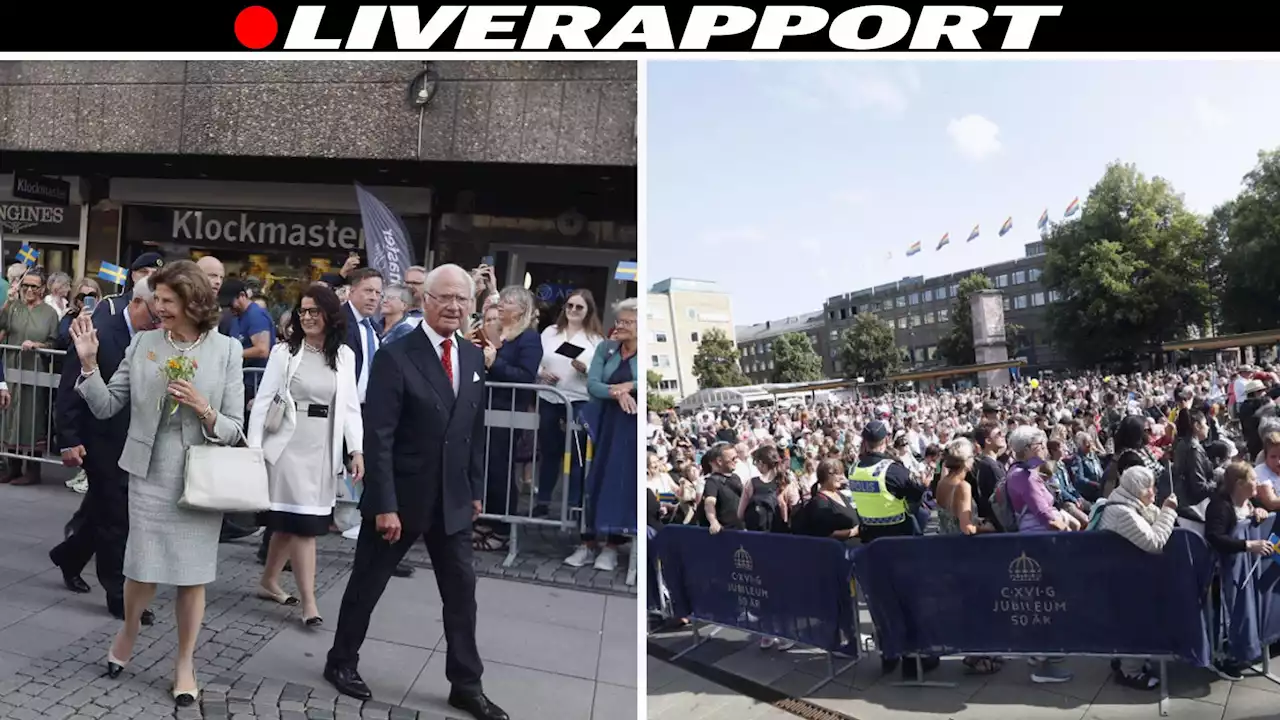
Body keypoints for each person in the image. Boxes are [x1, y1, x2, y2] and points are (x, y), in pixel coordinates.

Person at [324, 264, 508, 720]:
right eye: (443, 298)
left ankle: (466, 683)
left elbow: (473, 429)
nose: (453, 307)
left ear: (470, 305)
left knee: (462, 594)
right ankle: (340, 661)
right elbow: (379, 434)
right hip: (400, 501)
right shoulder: (397, 355)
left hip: (452, 500)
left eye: (461, 300)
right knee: (367, 585)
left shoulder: (469, 356)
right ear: (424, 301)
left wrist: (475, 489)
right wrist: (383, 503)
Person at [68, 259, 245, 707]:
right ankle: (129, 630)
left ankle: (184, 663)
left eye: (166, 300)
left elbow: (235, 429)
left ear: (192, 301)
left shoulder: (226, 351)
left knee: (192, 578)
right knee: (140, 568)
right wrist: (89, 366)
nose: (156, 307)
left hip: (199, 477)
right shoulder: (144, 343)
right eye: (154, 300)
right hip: (148, 472)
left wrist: (204, 409)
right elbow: (108, 406)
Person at [247, 284, 363, 628]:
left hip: (322, 447)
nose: (308, 317)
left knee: (288, 523)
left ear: (329, 314)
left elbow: (352, 409)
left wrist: (356, 449)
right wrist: (254, 450)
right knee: (305, 527)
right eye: (303, 311)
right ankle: (309, 603)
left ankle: (269, 581)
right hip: (287, 445)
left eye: (315, 311)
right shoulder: (285, 352)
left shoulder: (345, 356)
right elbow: (264, 401)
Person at [50, 277, 160, 625]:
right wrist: (68, 439)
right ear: (139, 303)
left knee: (103, 511)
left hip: (134, 439)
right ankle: (118, 595)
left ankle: (69, 555)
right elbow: (71, 384)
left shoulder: (153, 337)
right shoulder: (99, 330)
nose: (160, 321)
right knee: (116, 518)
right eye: (155, 313)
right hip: (100, 441)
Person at [563, 299, 637, 574]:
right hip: (603, 422)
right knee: (592, 478)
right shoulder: (606, 349)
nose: (620, 326)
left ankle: (612, 547)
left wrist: (632, 385)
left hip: (630, 428)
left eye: (628, 322)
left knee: (619, 484)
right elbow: (594, 384)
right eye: (619, 321)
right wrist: (619, 392)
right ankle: (587, 543)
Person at [1092, 465, 1178, 690]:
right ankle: (1130, 672)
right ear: (1134, 489)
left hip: (1128, 575)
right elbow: (1154, 543)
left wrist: (1160, 511)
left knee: (1131, 622)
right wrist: (1168, 511)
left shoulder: (1128, 502)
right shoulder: (1123, 512)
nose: (1153, 492)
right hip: (1126, 579)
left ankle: (1125, 661)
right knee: (1135, 623)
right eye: (1147, 488)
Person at [473, 286, 543, 551]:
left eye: (508, 302)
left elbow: (526, 376)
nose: (501, 305)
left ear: (522, 310)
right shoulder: (493, 333)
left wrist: (494, 363)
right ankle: (481, 519)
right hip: (482, 408)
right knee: (480, 466)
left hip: (507, 411)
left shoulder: (528, 339)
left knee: (500, 469)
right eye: (500, 300)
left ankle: (501, 527)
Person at [532, 289, 604, 519]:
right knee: (549, 450)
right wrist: (541, 373)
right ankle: (543, 501)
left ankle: (574, 504)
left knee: (577, 454)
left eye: (579, 307)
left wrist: (587, 370)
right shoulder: (550, 332)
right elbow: (535, 359)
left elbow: (600, 372)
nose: (573, 310)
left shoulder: (596, 339)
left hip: (579, 399)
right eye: (569, 305)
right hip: (550, 396)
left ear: (588, 311)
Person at [0, 266, 59, 485]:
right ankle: (12, 467)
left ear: (43, 288)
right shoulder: (14, 307)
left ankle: (33, 470)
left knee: (31, 417)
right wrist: (7, 301)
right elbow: (1, 325)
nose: (29, 290)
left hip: (35, 371)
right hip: (12, 369)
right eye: (26, 285)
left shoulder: (49, 313)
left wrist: (37, 344)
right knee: (10, 416)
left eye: (34, 286)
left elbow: (55, 342)